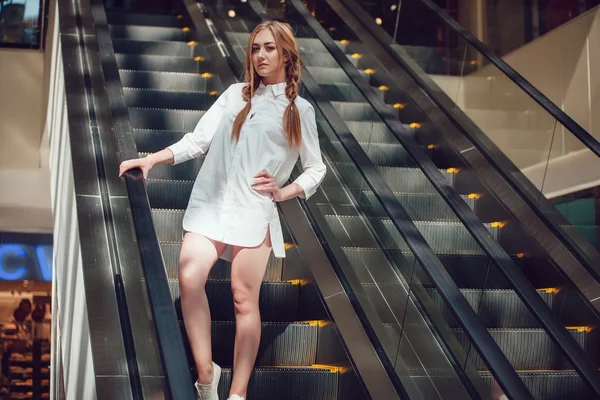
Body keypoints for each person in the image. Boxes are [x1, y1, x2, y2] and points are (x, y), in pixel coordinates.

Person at [119, 20, 326, 400]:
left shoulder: (300, 109)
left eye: (269, 48)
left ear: (286, 54)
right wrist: (152, 160)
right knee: (188, 275)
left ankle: (238, 393)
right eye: (255, 49)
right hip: (211, 204)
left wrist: (284, 191)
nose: (260, 55)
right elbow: (199, 140)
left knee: (243, 298)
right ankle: (206, 375)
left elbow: (317, 167)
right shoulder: (235, 95)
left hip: (254, 210)